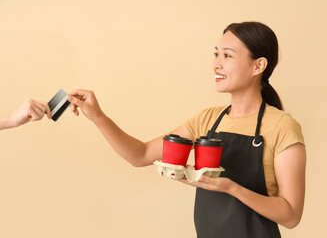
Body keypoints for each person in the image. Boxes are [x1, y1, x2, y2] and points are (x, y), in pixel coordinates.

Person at [67, 21, 306, 238]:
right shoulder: (207, 120)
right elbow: (139, 155)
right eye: (216, 54)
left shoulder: (281, 126)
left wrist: (232, 188)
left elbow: (291, 215)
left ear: (258, 66)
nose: (216, 63)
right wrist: (98, 117)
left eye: (227, 55)